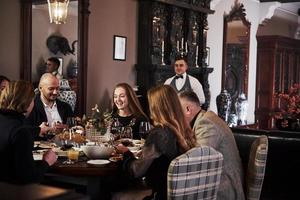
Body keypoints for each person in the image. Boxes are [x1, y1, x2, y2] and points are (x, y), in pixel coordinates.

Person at [116, 85, 196, 199]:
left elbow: (136, 171)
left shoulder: (158, 134)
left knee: (114, 195)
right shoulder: (184, 129)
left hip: (159, 196)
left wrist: (126, 153)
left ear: (156, 107)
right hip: (180, 196)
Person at [178, 90, 245, 200]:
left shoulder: (206, 123)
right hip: (218, 182)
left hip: (224, 190)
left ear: (188, 109)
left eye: (176, 111)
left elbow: (198, 162)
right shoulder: (205, 118)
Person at [0, 80, 57, 184]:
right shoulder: (20, 132)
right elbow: (30, 179)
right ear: (27, 102)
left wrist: (38, 130)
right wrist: (47, 161)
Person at [27, 73, 74, 138]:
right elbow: (25, 133)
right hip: (39, 147)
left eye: (57, 88)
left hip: (63, 146)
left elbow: (73, 128)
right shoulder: (31, 107)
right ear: (40, 88)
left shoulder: (66, 107)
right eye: (51, 89)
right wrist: (39, 130)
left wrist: (65, 128)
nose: (55, 92)